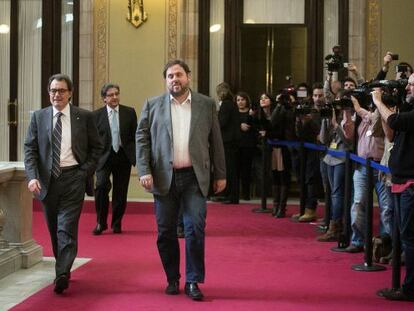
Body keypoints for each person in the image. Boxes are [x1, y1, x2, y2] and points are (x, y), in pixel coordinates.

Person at [136, 59, 226, 301]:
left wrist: (221, 174)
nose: (175, 79)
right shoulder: (152, 105)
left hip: (195, 178)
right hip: (164, 178)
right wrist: (144, 170)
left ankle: (193, 280)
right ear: (166, 81)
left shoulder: (205, 105)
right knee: (165, 232)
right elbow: (142, 139)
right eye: (170, 76)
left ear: (188, 77)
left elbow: (215, 141)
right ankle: (172, 278)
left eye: (179, 75)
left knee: (195, 228)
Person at [24, 74, 103, 294]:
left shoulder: (83, 117)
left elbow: (98, 148)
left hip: (73, 178)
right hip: (47, 182)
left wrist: (84, 172)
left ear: (70, 93)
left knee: (66, 226)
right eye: (53, 91)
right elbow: (30, 149)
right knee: (53, 228)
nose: (56, 95)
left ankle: (60, 274)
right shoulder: (39, 117)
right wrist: (32, 176)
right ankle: (64, 266)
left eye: (61, 90)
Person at [372, 74, 414, 301]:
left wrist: (379, 102)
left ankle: (410, 288)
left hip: (410, 184)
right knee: (403, 235)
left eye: (411, 84)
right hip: (400, 180)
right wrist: (391, 100)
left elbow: (396, 122)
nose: (406, 86)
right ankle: (406, 286)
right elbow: (391, 133)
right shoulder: (408, 108)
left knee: (410, 238)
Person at [92, 83, 137, 235]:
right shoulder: (96, 116)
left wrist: (136, 156)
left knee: (120, 191)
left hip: (123, 156)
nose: (115, 97)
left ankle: (117, 223)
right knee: (101, 186)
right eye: (111, 95)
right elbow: (93, 140)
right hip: (104, 157)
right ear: (104, 98)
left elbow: (135, 136)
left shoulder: (129, 112)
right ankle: (101, 222)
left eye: (117, 94)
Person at [216, 82, 240, 204]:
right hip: (232, 140)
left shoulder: (226, 105)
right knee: (230, 168)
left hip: (228, 141)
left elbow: (222, 122)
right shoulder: (232, 104)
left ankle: (231, 195)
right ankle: (229, 194)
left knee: (230, 169)